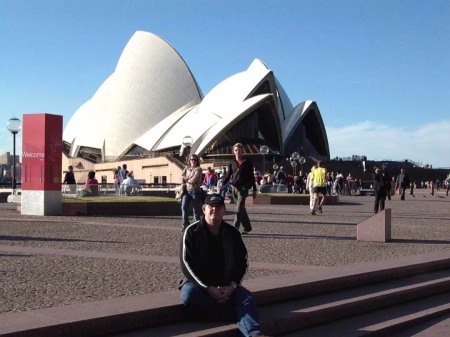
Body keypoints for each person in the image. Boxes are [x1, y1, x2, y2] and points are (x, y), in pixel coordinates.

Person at [179, 193, 271, 337]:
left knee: (247, 298)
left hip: (227, 285)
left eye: (218, 207)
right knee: (188, 294)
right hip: (200, 286)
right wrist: (208, 288)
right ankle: (239, 314)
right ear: (204, 209)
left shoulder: (233, 233)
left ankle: (254, 335)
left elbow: (243, 262)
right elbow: (186, 264)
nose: (214, 210)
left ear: (224, 210)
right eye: (211, 207)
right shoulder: (191, 232)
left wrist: (232, 286)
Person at [221, 143, 257, 234]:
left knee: (239, 208)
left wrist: (254, 189)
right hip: (234, 188)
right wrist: (223, 183)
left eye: (239, 150)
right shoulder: (231, 162)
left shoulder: (247, 162)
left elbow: (251, 176)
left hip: (243, 188)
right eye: (236, 150)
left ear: (242, 151)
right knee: (241, 208)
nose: (238, 152)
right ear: (233, 151)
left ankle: (235, 229)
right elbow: (228, 175)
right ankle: (247, 227)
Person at [181, 153, 203, 231]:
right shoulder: (186, 168)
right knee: (184, 207)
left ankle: (196, 226)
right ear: (189, 161)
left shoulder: (198, 169)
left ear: (197, 161)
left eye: (195, 160)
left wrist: (186, 179)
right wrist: (187, 179)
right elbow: (181, 177)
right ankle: (185, 225)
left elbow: (195, 179)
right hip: (187, 191)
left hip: (195, 191)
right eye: (192, 159)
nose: (193, 161)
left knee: (196, 210)